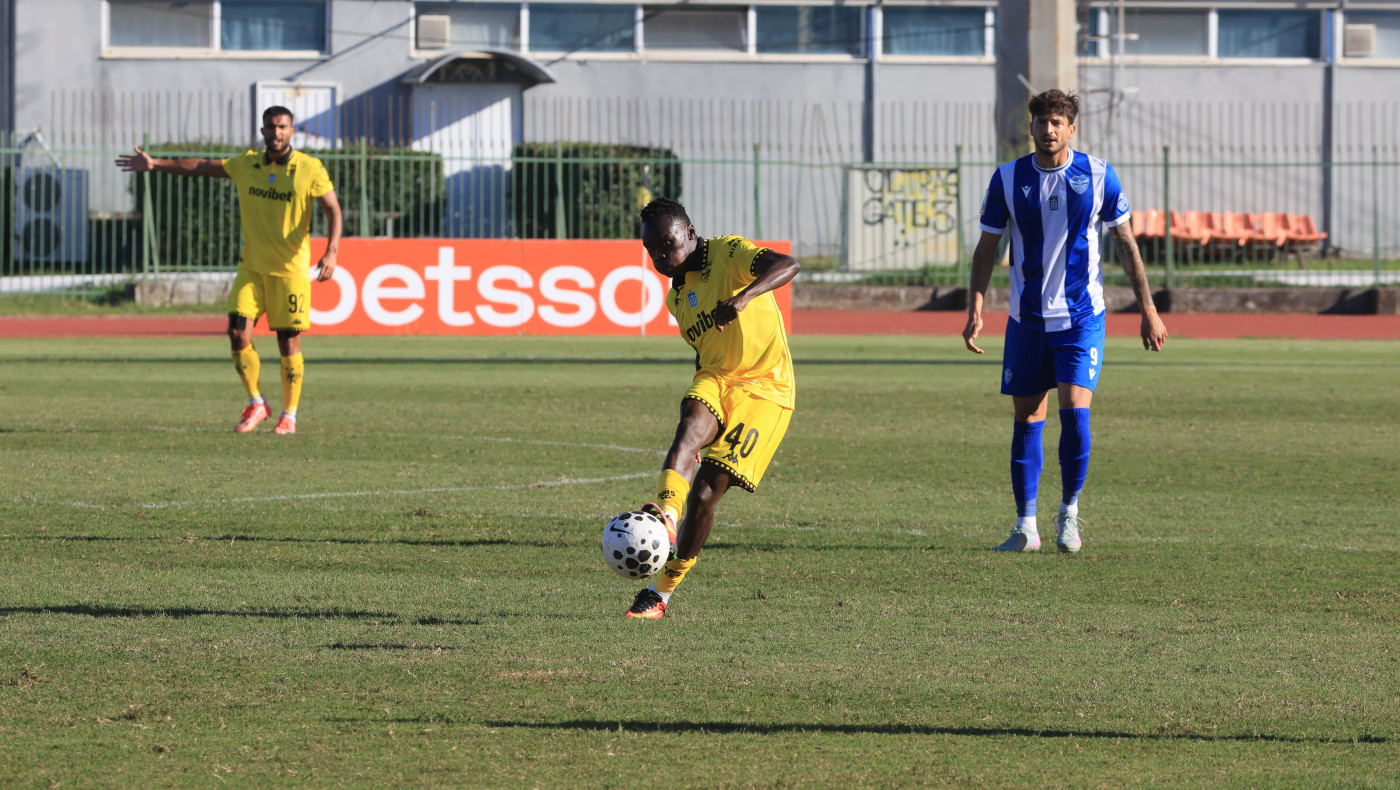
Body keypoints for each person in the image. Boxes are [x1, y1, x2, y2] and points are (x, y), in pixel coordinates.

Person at [962, 89, 1167, 554]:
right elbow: (986, 249)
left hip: (1081, 318)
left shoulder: (1098, 175)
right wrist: (976, 305)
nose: (1048, 129)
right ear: (1030, 127)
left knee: (1076, 415)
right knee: (1027, 420)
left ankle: (1069, 515)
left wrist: (1148, 309)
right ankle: (1025, 527)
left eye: (1057, 122)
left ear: (1071, 128)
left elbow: (1127, 245)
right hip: (1027, 320)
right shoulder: (1008, 179)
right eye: (1041, 121)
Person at [624, 197, 800, 619]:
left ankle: (662, 591)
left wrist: (743, 297)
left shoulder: (728, 252)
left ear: (689, 232)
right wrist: (709, 425)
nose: (660, 257)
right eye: (652, 250)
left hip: (765, 389)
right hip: (718, 378)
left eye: (667, 244)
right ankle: (666, 517)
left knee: (704, 494)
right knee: (689, 423)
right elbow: (705, 352)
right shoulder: (677, 298)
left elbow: (788, 264)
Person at [116, 106, 342, 435]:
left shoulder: (310, 168)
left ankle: (289, 415)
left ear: (291, 131)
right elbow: (201, 166)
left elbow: (333, 208)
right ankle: (257, 403)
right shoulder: (246, 164)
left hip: (290, 272)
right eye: (270, 127)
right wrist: (156, 164)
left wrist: (332, 251)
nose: (276, 133)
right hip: (252, 269)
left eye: (282, 127)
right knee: (237, 333)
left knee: (287, 343)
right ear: (262, 132)